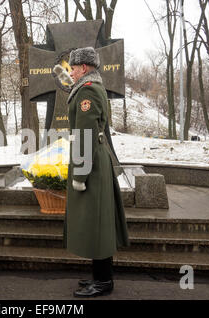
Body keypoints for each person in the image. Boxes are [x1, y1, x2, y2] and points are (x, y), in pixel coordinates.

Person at [65, 47, 130, 298]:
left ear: (83, 67)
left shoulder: (88, 90)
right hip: (94, 160)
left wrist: (80, 175)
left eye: (73, 68)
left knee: (98, 222)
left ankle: (103, 281)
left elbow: (86, 135)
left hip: (90, 164)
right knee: (96, 221)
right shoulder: (91, 87)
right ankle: (99, 275)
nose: (70, 73)